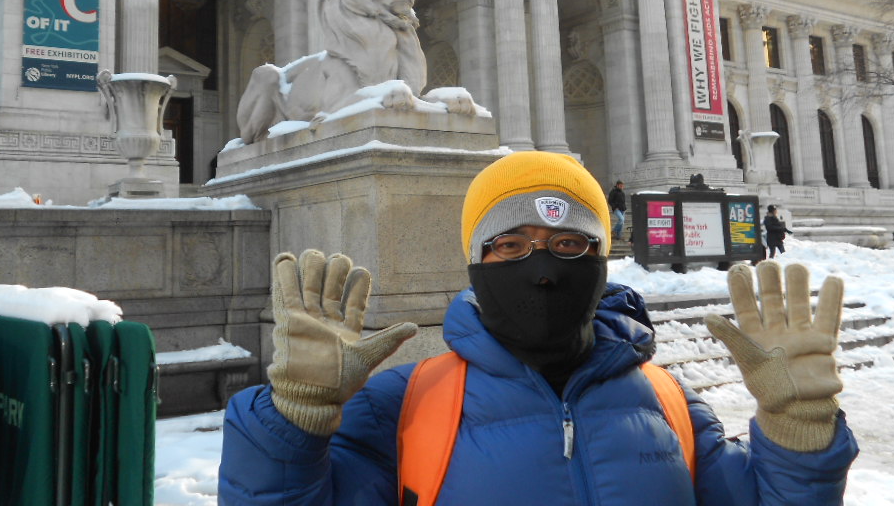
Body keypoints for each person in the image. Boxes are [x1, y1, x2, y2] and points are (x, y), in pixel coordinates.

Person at [219, 151, 857, 505]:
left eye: (569, 245)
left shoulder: (670, 404)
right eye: (511, 246)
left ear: (601, 265)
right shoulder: (402, 407)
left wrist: (798, 432)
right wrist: (291, 423)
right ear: (476, 265)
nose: (543, 269)